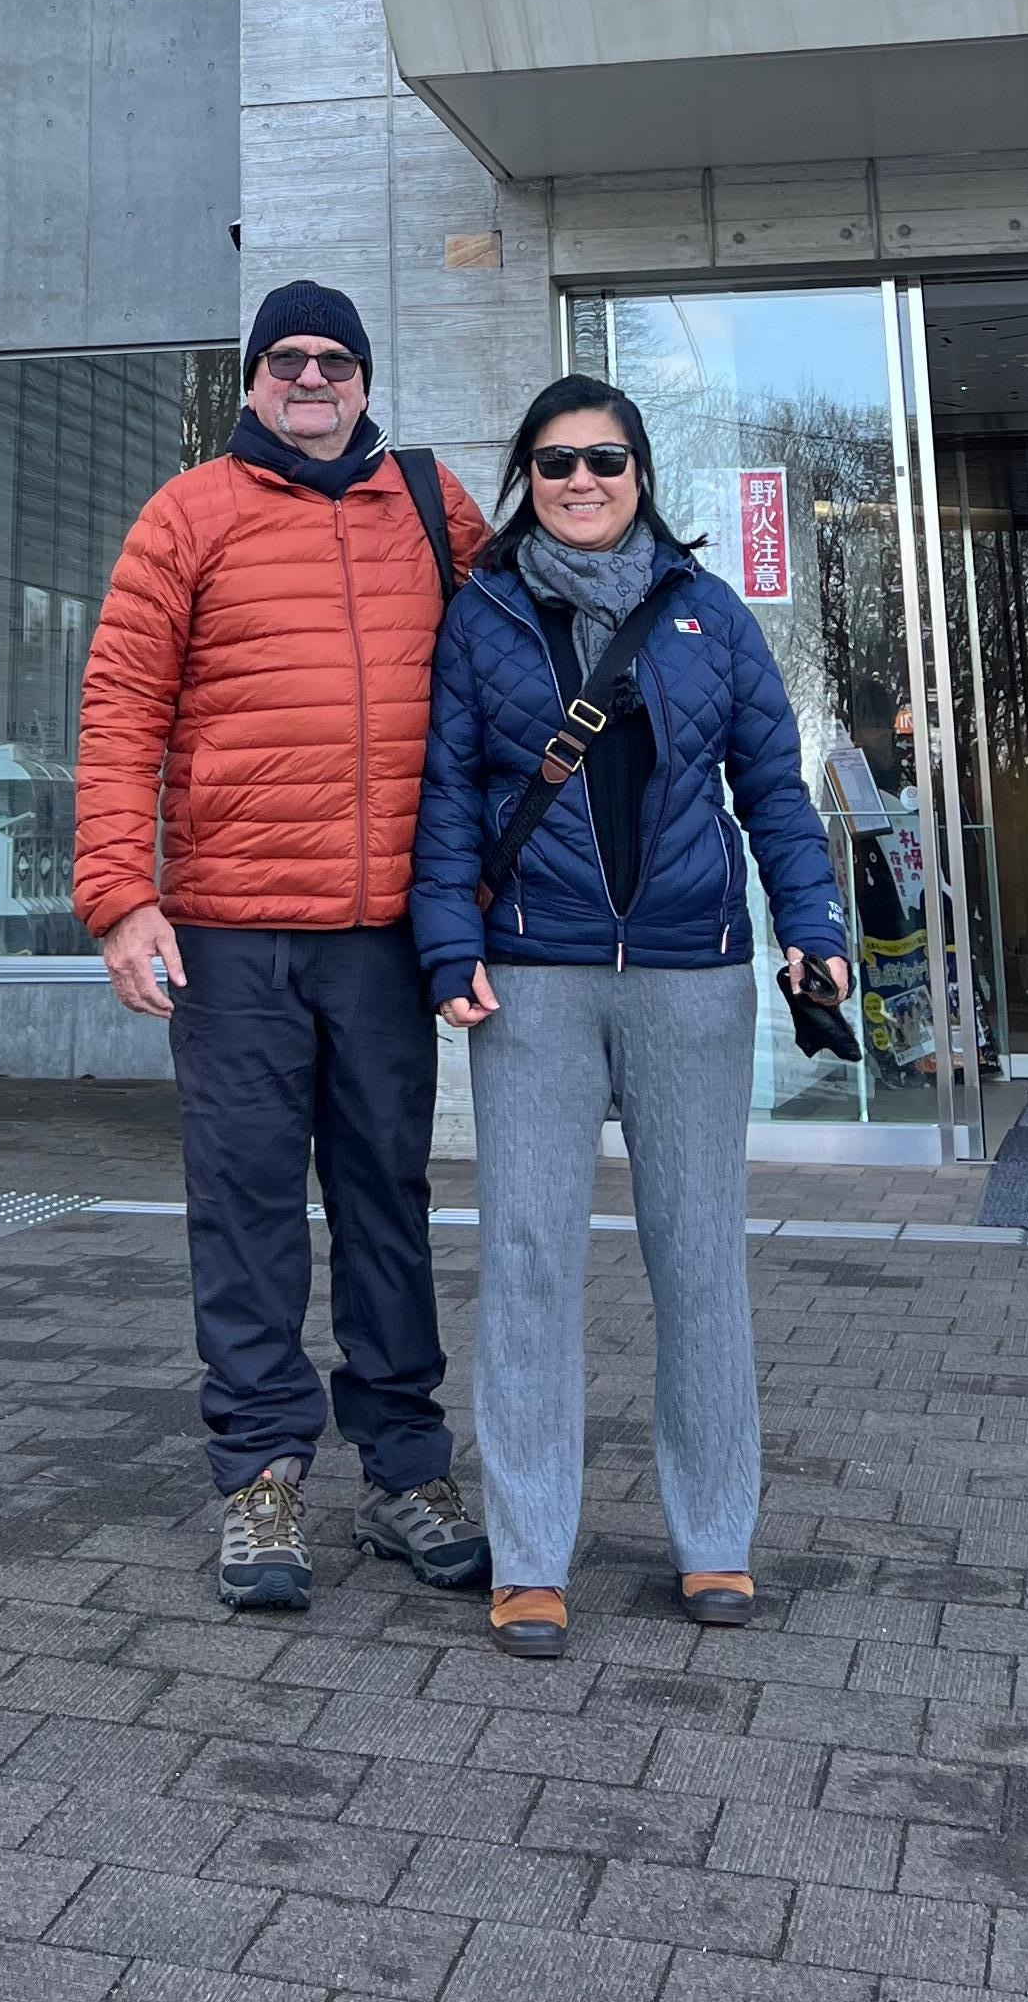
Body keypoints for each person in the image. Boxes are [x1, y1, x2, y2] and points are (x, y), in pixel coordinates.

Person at [410, 376, 850, 1659]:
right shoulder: (484, 613)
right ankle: (530, 1555)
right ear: (527, 481)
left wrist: (813, 926)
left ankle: (715, 1537)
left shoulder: (710, 613)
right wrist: (447, 946)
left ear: (641, 473)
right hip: (530, 976)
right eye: (555, 462)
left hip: (689, 974)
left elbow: (773, 789)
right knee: (528, 1261)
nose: (582, 481)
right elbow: (446, 794)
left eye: (604, 459)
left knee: (699, 1259)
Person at [75, 280, 492, 1616]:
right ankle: (261, 1474)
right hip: (232, 935)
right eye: (287, 359)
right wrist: (119, 897)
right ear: (255, 378)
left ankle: (407, 1471)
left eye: (336, 360)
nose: (312, 378)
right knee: (247, 1208)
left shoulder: (433, 508)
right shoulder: (188, 513)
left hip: (382, 935)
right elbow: (120, 706)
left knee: (387, 1206)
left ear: (365, 380)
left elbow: (517, 663)